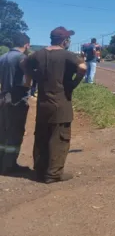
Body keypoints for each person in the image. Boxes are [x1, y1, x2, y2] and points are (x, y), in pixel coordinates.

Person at [21, 26, 87, 183]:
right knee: (59, 139)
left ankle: (40, 170)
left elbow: (24, 64)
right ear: (64, 41)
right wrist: (72, 84)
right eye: (68, 39)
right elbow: (83, 67)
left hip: (43, 104)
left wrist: (34, 78)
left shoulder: (39, 54)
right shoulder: (67, 55)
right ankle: (54, 174)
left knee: (42, 137)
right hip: (61, 103)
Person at [0, 32, 32, 175]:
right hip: (16, 98)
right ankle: (9, 165)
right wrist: (30, 87)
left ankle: (2, 161)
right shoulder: (22, 58)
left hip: (3, 95)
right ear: (26, 45)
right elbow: (27, 79)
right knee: (15, 131)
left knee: (3, 130)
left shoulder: (2, 57)